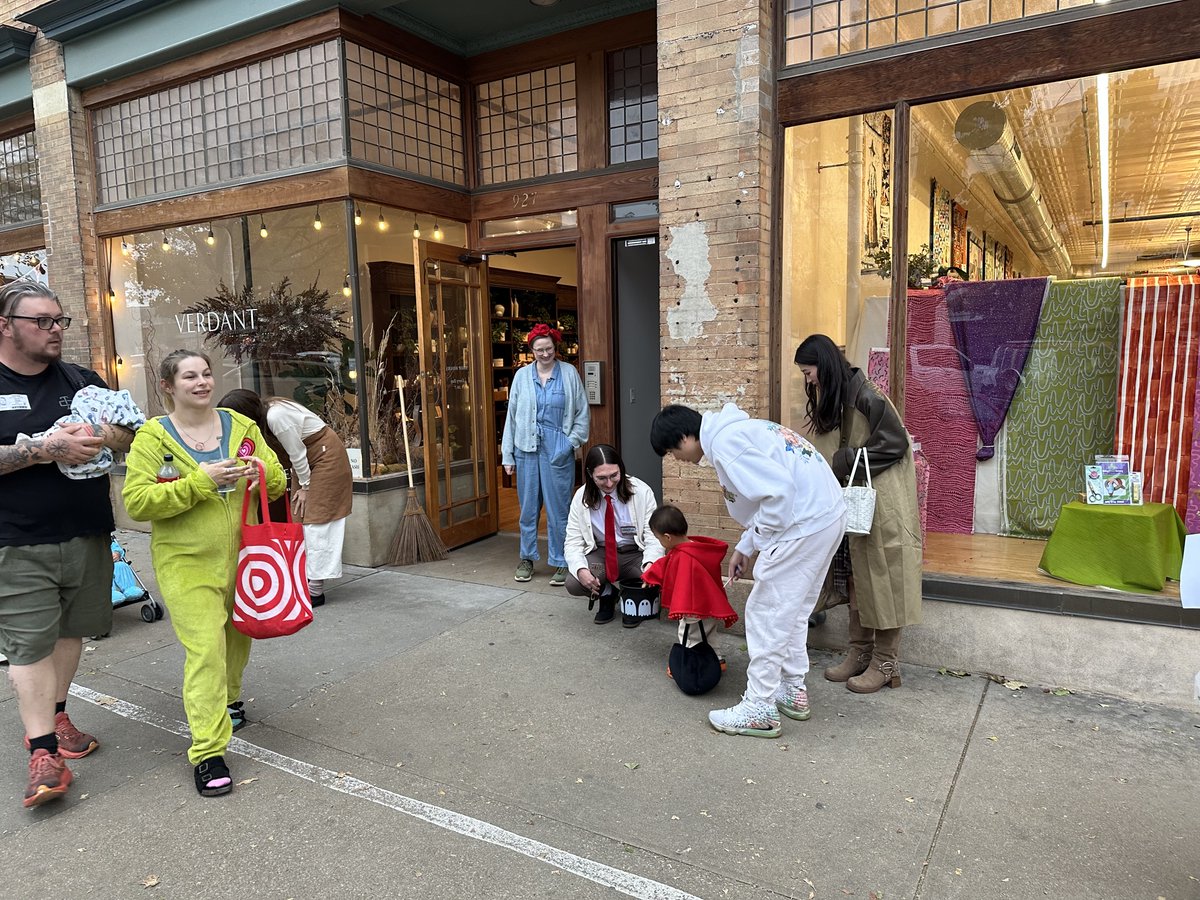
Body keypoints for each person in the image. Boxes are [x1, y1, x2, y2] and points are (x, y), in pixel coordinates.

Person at [123, 350, 286, 797]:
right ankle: (208, 750)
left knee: (238, 638)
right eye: (189, 376)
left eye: (206, 373)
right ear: (168, 387)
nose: (201, 382)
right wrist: (200, 482)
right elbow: (136, 502)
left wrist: (261, 469)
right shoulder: (153, 438)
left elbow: (277, 482)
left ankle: (230, 699)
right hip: (185, 562)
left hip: (246, 556)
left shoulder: (243, 427)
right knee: (206, 650)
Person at [0, 280, 135, 808]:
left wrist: (107, 435)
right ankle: (42, 754)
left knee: (71, 633)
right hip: (16, 540)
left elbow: (128, 434)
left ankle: (57, 715)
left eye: (60, 321)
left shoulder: (81, 381)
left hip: (85, 531)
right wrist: (43, 448)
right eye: (43, 321)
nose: (56, 330)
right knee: (28, 644)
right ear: (6, 325)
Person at [651, 402, 845, 738]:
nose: (676, 459)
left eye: (671, 451)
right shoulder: (736, 433)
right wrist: (747, 546)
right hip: (823, 518)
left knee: (766, 613)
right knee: (793, 611)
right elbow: (769, 495)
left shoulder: (727, 443)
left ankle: (760, 707)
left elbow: (778, 494)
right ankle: (791, 689)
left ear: (684, 437)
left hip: (800, 525)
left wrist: (764, 544)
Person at [794, 334, 922, 693]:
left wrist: (844, 459)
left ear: (824, 364)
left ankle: (886, 664)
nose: (808, 380)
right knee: (858, 578)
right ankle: (859, 653)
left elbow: (896, 444)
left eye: (808, 372)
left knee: (885, 578)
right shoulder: (844, 394)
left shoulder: (867, 395)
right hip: (859, 499)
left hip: (880, 501)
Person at [219, 389, 353, 607]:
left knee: (317, 520)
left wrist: (306, 487)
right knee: (299, 516)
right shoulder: (266, 414)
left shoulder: (275, 416)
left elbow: (297, 453)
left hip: (325, 455)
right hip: (306, 462)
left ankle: (315, 590)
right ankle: (304, 578)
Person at [501, 323, 590, 587]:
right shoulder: (521, 377)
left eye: (549, 348)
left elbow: (581, 414)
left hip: (557, 450)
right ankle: (527, 557)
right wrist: (508, 455)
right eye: (539, 349)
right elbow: (512, 419)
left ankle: (562, 560)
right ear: (532, 350)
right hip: (526, 450)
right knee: (528, 510)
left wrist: (569, 444)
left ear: (556, 347)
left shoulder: (569, 373)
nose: (544, 354)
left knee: (558, 509)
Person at [563, 443, 663, 625]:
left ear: (621, 470)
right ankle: (608, 594)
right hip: (601, 554)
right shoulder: (581, 497)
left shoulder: (641, 492)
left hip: (635, 554)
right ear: (590, 474)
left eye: (614, 476)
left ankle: (631, 597)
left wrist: (650, 564)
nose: (609, 484)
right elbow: (572, 542)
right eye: (601, 478)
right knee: (574, 583)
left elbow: (653, 536)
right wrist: (581, 569)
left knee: (658, 577)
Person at [641, 505, 739, 646]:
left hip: (693, 609)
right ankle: (715, 658)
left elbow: (671, 569)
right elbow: (665, 563)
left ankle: (688, 664)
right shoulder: (696, 547)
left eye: (658, 538)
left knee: (689, 636)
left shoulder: (684, 557)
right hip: (710, 603)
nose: (659, 542)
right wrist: (650, 574)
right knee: (709, 634)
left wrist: (650, 575)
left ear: (667, 537)